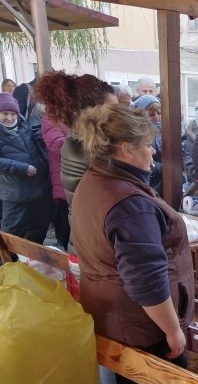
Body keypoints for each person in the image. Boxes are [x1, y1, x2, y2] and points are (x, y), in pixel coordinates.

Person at [70, 103, 198, 384]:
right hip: (142, 322)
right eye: (147, 144)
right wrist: (172, 330)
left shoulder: (96, 180)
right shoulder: (129, 202)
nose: (153, 150)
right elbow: (146, 279)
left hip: (111, 310)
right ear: (125, 148)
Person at [34, 71, 117, 250]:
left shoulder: (86, 141)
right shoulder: (84, 147)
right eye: (112, 110)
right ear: (90, 113)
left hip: (89, 238)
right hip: (94, 242)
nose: (118, 116)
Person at [0, 92, 51, 243]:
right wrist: (21, 167)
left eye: (12, 114)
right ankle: (6, 263)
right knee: (11, 230)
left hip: (38, 188)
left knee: (39, 225)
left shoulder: (24, 126)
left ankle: (30, 259)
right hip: (14, 192)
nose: (9, 118)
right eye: (4, 113)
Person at [131, 94, 163, 193]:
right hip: (150, 184)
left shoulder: (163, 131)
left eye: (159, 113)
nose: (157, 117)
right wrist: (164, 168)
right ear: (140, 116)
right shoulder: (138, 135)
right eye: (152, 114)